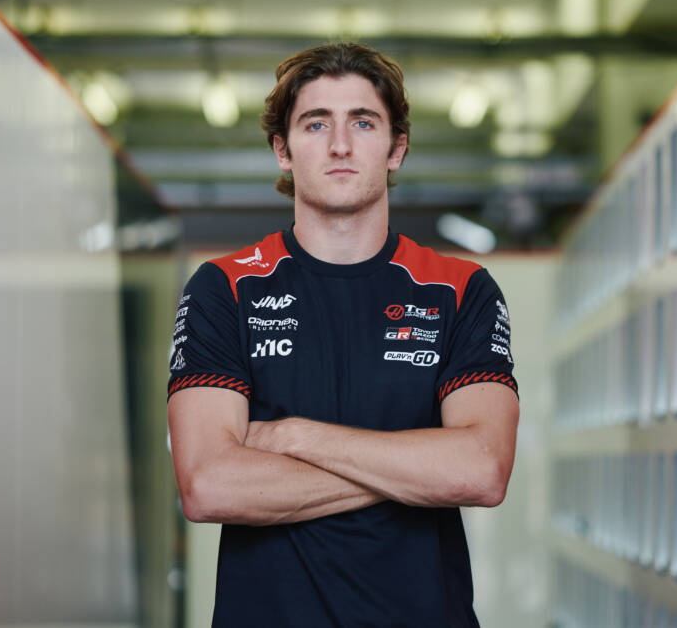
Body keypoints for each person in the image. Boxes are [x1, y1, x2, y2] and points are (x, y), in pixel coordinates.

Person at [167, 42, 520, 628]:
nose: (339, 144)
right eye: (315, 123)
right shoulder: (222, 288)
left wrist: (294, 436)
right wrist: (414, 468)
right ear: (282, 150)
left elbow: (481, 470)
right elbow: (208, 484)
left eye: (363, 121)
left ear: (396, 149)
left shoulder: (461, 289)